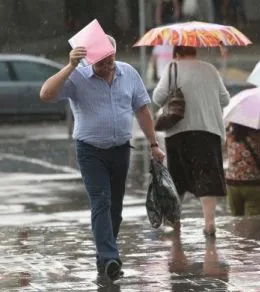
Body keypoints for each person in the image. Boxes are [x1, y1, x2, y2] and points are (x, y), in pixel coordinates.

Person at [39, 36, 165, 281]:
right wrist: (69, 66)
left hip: (120, 150)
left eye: (110, 61)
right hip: (90, 151)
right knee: (102, 201)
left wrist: (154, 144)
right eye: (101, 63)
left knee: (115, 210)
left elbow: (142, 109)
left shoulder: (128, 73)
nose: (107, 67)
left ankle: (104, 258)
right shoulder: (77, 77)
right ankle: (110, 258)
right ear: (89, 59)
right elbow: (46, 93)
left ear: (115, 53)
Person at [152, 46, 230, 237]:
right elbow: (225, 99)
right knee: (207, 177)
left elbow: (158, 98)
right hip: (208, 131)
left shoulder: (172, 68)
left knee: (178, 178)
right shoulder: (210, 69)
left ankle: (175, 219)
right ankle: (209, 222)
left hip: (179, 132)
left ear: (176, 54)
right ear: (194, 52)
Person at [226, 123, 260, 216]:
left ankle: (238, 231)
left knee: (236, 220)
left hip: (233, 184)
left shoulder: (230, 138)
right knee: (253, 222)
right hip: (253, 184)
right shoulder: (259, 138)